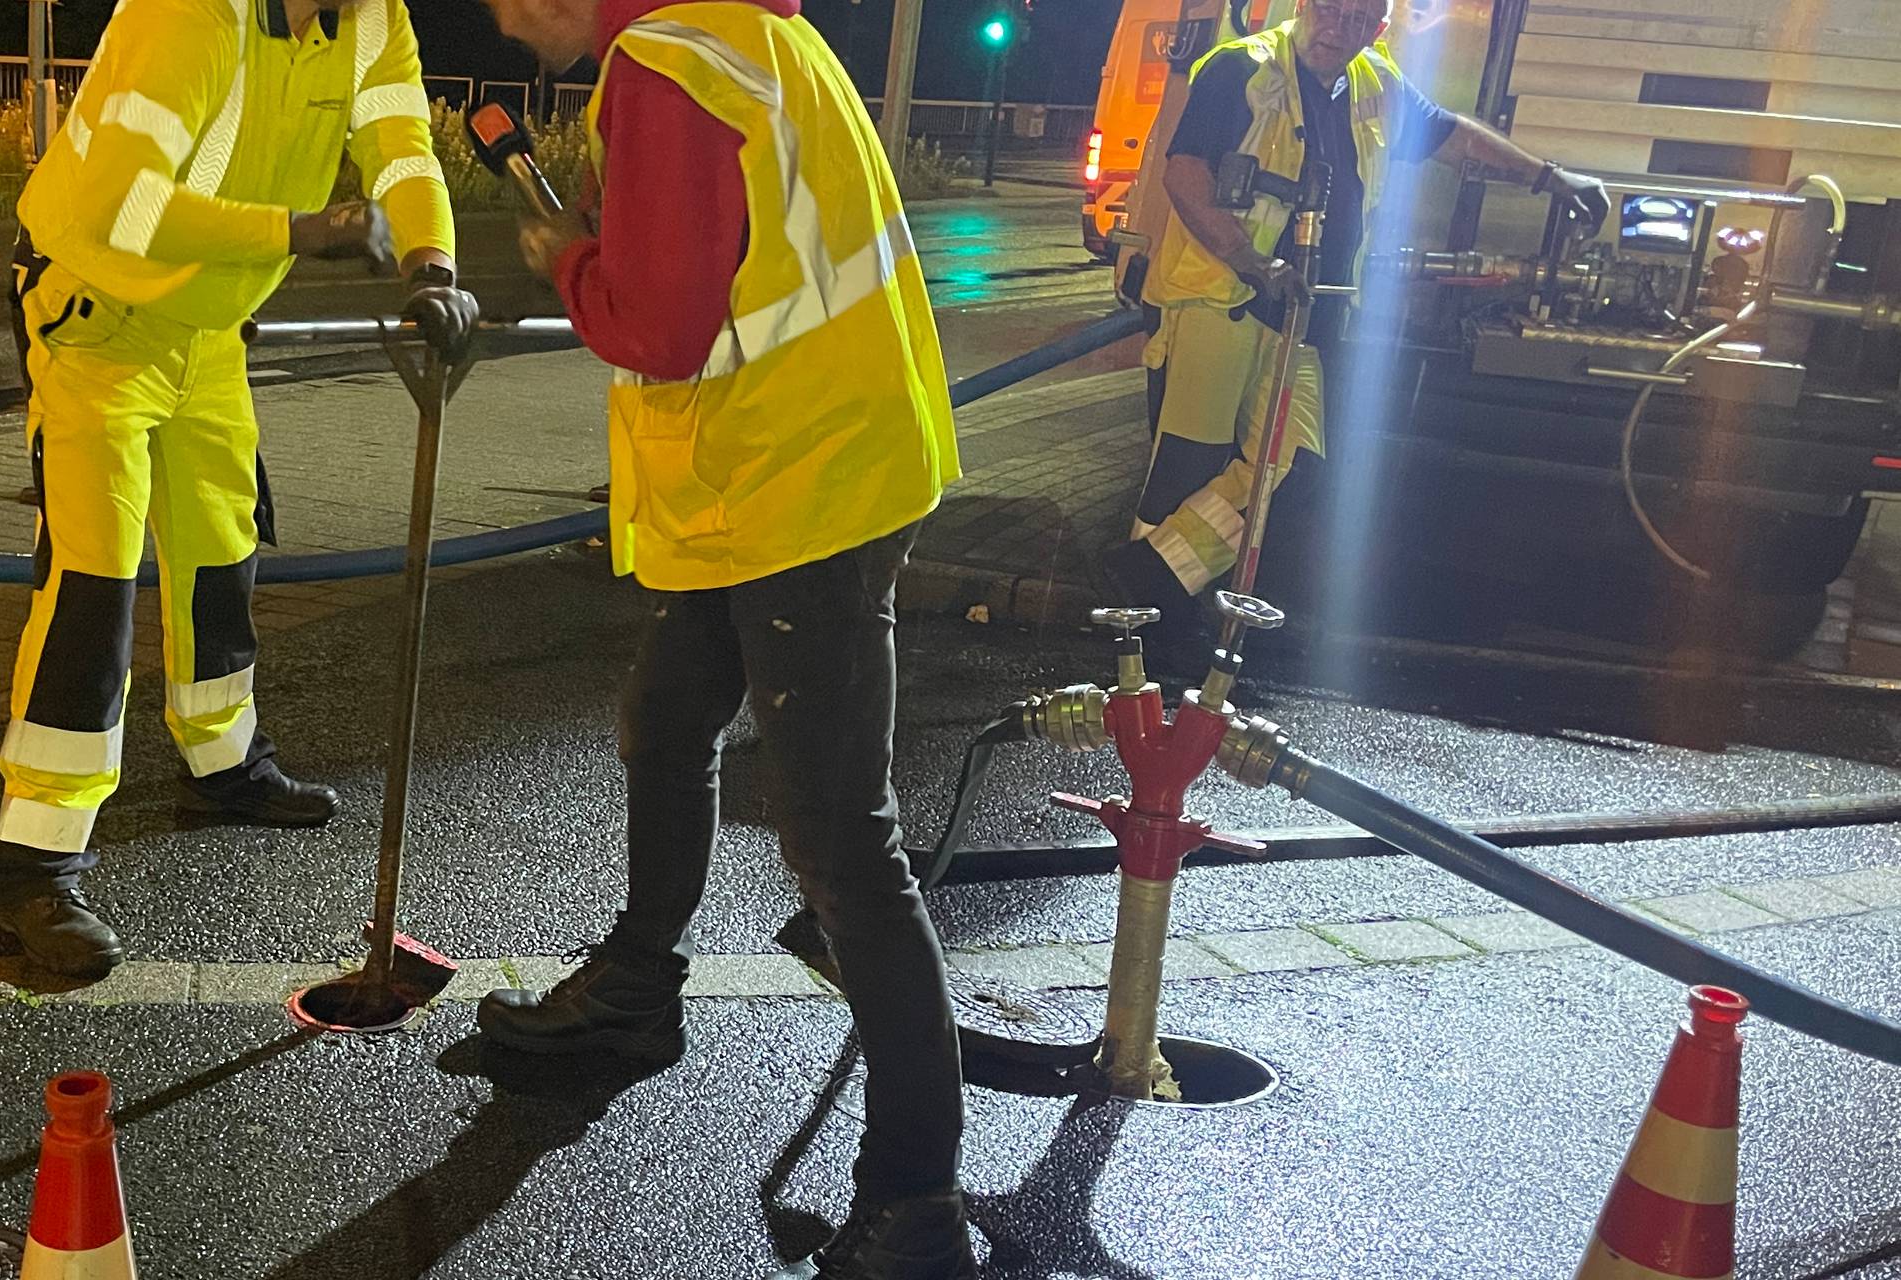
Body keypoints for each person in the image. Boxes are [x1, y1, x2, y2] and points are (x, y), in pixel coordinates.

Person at [471, 1, 977, 1275]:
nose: (501, 23)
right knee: (667, 715)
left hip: (801, 488)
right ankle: (636, 986)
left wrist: (566, 263)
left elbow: (661, 325)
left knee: (844, 846)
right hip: (787, 468)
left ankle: (915, 1197)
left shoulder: (664, 64)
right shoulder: (754, 36)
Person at [0, 0, 480, 980]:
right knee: (92, 580)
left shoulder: (370, 17)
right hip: (94, 314)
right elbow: (122, 206)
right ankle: (34, 857)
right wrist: (299, 230)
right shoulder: (189, 15)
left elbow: (403, 152)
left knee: (222, 549)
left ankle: (223, 765)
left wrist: (432, 266)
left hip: (208, 328)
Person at [1101, 0, 1608, 650]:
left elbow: (1454, 137)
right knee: (1187, 465)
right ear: (1304, 6)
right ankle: (1149, 628)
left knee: (1294, 467)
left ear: (1378, 27)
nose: (1339, 27)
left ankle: (1146, 581)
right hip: (1215, 302)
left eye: (1360, 17)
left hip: (1300, 317)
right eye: (1330, 9)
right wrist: (1254, 261)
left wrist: (1550, 178)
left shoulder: (1376, 84)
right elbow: (1184, 174)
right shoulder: (1243, 68)